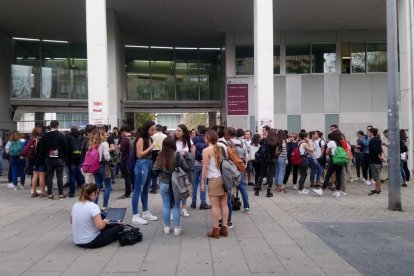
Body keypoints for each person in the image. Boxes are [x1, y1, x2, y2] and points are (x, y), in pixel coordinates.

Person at [153, 137, 189, 236]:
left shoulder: (160, 155)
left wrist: (161, 175)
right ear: (174, 145)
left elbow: (155, 169)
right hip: (176, 184)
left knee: (165, 205)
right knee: (176, 206)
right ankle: (177, 229)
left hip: (164, 183)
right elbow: (186, 168)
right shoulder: (177, 155)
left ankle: (167, 228)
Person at [71, 183, 124, 248]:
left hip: (77, 240)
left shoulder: (76, 205)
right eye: (97, 193)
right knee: (120, 226)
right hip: (90, 241)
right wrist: (104, 221)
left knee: (102, 215)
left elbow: (72, 221)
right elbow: (100, 226)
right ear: (93, 193)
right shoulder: (93, 207)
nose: (97, 195)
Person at [201, 129, 229, 239]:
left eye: (205, 137)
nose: (204, 138)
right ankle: (225, 228)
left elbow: (205, 167)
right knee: (224, 205)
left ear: (208, 138)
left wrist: (202, 182)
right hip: (224, 179)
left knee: (215, 206)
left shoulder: (206, 150)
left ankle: (215, 230)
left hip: (213, 180)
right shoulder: (222, 148)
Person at [131, 120, 158, 225]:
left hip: (148, 163)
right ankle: (135, 215)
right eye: (152, 129)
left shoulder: (148, 138)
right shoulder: (141, 138)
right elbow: (139, 154)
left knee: (146, 189)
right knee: (138, 190)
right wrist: (151, 147)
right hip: (141, 164)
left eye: (154, 129)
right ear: (147, 129)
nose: (154, 131)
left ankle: (146, 212)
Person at [313, 130, 345, 197]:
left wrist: (330, 152)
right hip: (340, 160)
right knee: (338, 175)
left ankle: (322, 190)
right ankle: (338, 191)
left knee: (328, 175)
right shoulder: (340, 142)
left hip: (333, 159)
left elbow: (327, 152)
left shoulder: (331, 142)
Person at [174, 124, 195, 217]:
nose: (177, 132)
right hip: (175, 167)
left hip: (186, 167)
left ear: (184, 132)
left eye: (179, 131)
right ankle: (174, 207)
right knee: (175, 187)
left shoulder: (188, 141)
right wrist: (178, 154)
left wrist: (186, 154)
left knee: (185, 187)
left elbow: (192, 155)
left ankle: (184, 208)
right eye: (176, 130)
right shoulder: (173, 141)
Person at [43, 120, 67, 199]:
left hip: (48, 158)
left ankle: (50, 194)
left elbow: (42, 147)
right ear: (57, 126)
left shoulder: (45, 136)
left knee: (49, 176)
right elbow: (65, 147)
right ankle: (60, 194)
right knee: (59, 176)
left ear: (50, 126)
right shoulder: (60, 136)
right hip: (59, 158)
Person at [89, 128, 112, 211]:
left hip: (95, 167)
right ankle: (105, 206)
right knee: (108, 186)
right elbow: (106, 157)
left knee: (97, 186)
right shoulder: (104, 143)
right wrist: (110, 158)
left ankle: (95, 206)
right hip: (103, 166)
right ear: (102, 134)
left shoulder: (91, 143)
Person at [191, 125, 211, 210]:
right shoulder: (207, 139)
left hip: (195, 163)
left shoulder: (194, 139)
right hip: (204, 163)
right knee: (203, 183)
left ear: (198, 130)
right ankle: (203, 202)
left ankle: (193, 202)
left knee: (194, 183)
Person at [66, 126, 85, 198]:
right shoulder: (81, 137)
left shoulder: (68, 137)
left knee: (72, 176)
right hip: (79, 158)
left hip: (71, 159)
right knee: (80, 174)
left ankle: (72, 192)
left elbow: (66, 148)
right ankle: (83, 191)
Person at [30, 127, 47, 197]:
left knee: (35, 176)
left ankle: (34, 191)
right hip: (41, 160)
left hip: (34, 160)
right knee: (41, 176)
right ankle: (43, 191)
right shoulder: (41, 140)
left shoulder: (32, 139)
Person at [368, 128, 386, 195]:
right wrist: (381, 157)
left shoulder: (373, 141)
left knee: (377, 176)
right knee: (376, 176)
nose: (368, 133)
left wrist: (380, 157)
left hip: (375, 161)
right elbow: (380, 149)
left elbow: (376, 150)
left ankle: (377, 191)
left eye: (369, 132)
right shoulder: (378, 140)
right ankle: (377, 189)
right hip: (376, 161)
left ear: (372, 133)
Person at [150, 124, 167, 194]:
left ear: (156, 129)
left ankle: (154, 187)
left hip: (154, 153)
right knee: (163, 170)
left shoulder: (152, 136)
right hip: (163, 153)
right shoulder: (165, 136)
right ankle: (163, 186)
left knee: (154, 169)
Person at [118, 126, 135, 199]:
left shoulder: (124, 140)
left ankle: (127, 193)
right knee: (133, 176)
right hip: (134, 160)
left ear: (124, 131)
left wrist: (119, 147)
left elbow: (121, 151)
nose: (121, 134)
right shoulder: (135, 138)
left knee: (127, 177)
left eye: (121, 132)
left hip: (125, 161)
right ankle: (135, 189)